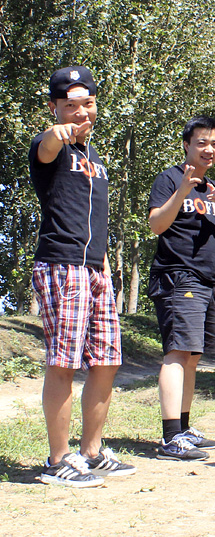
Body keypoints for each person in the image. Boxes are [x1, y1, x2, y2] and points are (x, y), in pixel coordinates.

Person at [30, 65, 137, 487]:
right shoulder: (52, 147)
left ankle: (91, 453)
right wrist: (56, 134)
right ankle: (58, 460)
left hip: (95, 269)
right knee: (63, 362)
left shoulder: (95, 159)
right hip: (62, 265)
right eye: (70, 105)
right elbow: (46, 147)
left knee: (107, 361)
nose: (80, 112)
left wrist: (104, 262)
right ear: (55, 107)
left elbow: (92, 216)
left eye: (87, 103)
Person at [148, 116, 215, 461]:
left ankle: (183, 429)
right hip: (178, 277)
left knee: (192, 356)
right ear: (187, 145)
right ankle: (171, 437)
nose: (209, 149)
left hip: (204, 281)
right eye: (201, 142)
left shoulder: (212, 187)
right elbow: (157, 224)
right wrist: (182, 191)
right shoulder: (170, 179)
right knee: (177, 352)